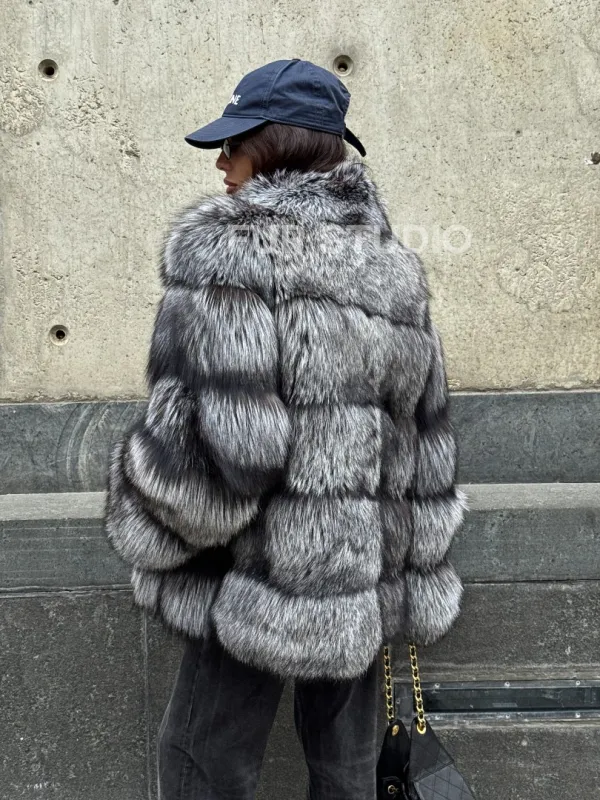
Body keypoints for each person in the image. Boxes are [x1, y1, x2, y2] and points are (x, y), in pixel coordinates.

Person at [103, 58, 467, 800]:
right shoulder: (391, 267)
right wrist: (406, 563)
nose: (221, 162)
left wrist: (141, 512)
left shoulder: (233, 257)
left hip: (251, 579)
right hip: (363, 586)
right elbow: (426, 442)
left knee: (202, 763)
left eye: (234, 144)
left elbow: (218, 463)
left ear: (276, 148)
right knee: (346, 772)